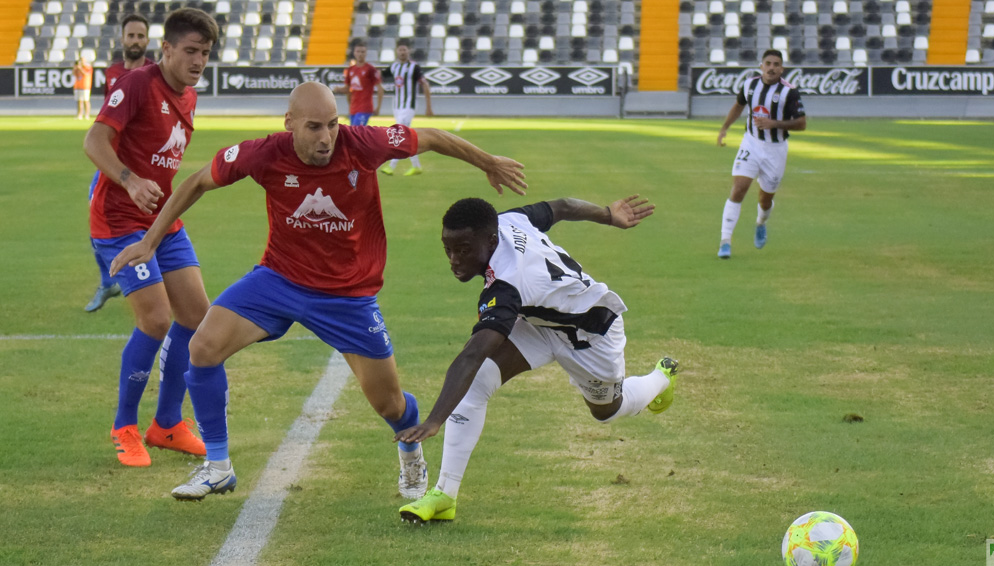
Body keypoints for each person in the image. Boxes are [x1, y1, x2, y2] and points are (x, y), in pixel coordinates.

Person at [109, 81, 527, 501]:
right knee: (203, 347)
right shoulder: (264, 153)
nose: (326, 137)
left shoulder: (363, 143)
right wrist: (150, 241)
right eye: (313, 127)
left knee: (391, 405)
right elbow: (198, 181)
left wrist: (488, 161)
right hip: (278, 279)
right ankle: (218, 465)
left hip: (348, 296)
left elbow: (432, 138)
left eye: (332, 124)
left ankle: (410, 446)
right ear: (289, 123)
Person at [394, 195, 679, 523]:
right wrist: (606, 215)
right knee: (477, 383)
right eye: (448, 249)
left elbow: (472, 354)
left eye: (463, 250)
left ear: (489, 239)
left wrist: (434, 421)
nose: (454, 260)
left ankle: (661, 377)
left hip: (591, 333)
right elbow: (562, 207)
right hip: (541, 322)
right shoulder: (509, 220)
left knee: (607, 411)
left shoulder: (507, 284)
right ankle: (444, 495)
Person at [84, 7, 219, 467]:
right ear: (166, 49)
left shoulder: (190, 95)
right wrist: (129, 179)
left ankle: (165, 424)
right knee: (157, 319)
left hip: (161, 222)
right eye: (190, 51)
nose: (199, 60)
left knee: (197, 315)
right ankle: (124, 426)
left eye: (205, 53)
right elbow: (94, 141)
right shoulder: (138, 84)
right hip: (119, 220)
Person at [84, 13, 156, 313]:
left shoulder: (154, 74)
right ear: (122, 39)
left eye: (141, 36)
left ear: (148, 41)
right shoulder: (112, 73)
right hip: (113, 164)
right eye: (131, 36)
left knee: (143, 221)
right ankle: (107, 281)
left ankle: (150, 281)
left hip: (143, 165)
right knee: (95, 223)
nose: (136, 41)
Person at [715, 49, 806, 257]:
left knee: (765, 199)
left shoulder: (789, 92)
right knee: (738, 189)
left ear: (781, 69)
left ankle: (761, 222)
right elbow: (738, 106)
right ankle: (725, 241)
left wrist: (774, 123)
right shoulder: (749, 85)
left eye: (776, 64)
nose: (772, 68)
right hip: (751, 143)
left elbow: (802, 123)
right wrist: (724, 128)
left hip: (776, 150)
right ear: (761, 66)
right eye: (768, 63)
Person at [379, 43, 433, 177]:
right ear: (397, 51)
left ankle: (391, 167)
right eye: (400, 49)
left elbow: (425, 84)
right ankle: (416, 166)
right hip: (396, 106)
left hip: (409, 105)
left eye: (405, 49)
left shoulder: (414, 67)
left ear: (409, 51)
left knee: (399, 133)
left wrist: (428, 106)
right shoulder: (394, 66)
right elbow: (379, 75)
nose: (402, 52)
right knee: (405, 135)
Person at [335, 39, 384, 127]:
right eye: (358, 51)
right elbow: (347, 89)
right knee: (355, 135)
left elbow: (380, 88)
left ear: (366, 53)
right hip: (353, 109)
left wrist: (378, 107)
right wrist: (338, 90)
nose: (360, 54)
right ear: (354, 53)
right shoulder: (350, 70)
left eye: (362, 52)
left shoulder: (370, 69)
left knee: (356, 133)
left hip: (365, 108)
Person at [72, 55, 93, 120]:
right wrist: (75, 68)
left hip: (85, 86)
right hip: (78, 86)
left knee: (86, 101)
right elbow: (73, 74)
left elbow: (86, 74)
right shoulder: (77, 68)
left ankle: (87, 114)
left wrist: (80, 68)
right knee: (79, 101)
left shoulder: (88, 67)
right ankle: (79, 114)